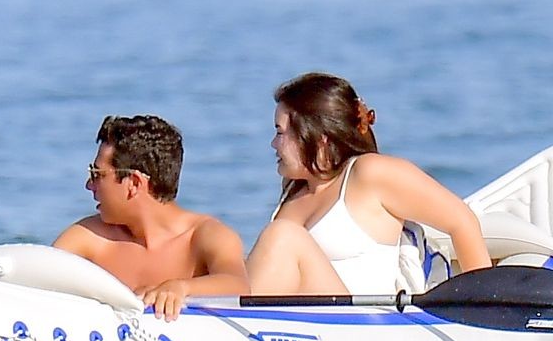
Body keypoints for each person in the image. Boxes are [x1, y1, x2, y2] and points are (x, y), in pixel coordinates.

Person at [246, 72, 492, 295]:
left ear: (319, 137)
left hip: (361, 322)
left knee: (283, 236)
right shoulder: (294, 189)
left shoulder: (369, 174)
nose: (273, 144)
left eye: (280, 132)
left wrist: (482, 308)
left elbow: (462, 221)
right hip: (302, 325)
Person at [52, 115, 249, 320]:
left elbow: (238, 286)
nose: (89, 185)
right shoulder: (89, 236)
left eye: (97, 175)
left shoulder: (205, 235)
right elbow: (39, 273)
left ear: (134, 183)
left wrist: (181, 288)